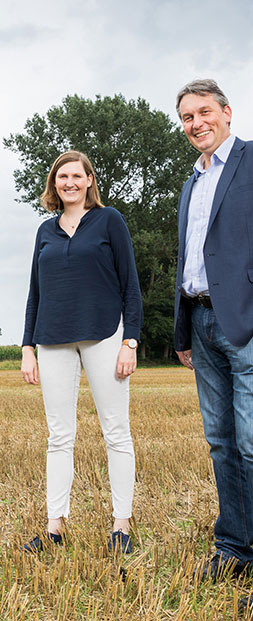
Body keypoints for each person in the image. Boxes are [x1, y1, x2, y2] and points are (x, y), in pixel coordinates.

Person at [21, 150, 142, 554]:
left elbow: (130, 285)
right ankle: (55, 528)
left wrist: (131, 341)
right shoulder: (45, 230)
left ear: (90, 180)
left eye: (76, 175)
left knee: (116, 431)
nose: (69, 182)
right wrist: (27, 347)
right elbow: (35, 293)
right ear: (53, 184)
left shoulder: (110, 221)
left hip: (105, 335)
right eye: (61, 176)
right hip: (53, 339)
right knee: (59, 436)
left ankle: (121, 526)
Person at [174, 79, 253, 612]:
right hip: (201, 323)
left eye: (205, 112)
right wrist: (182, 331)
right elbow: (189, 259)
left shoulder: (249, 163)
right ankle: (233, 550)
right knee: (221, 442)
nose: (197, 123)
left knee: (251, 443)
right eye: (187, 117)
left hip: (245, 322)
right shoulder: (191, 182)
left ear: (227, 112)